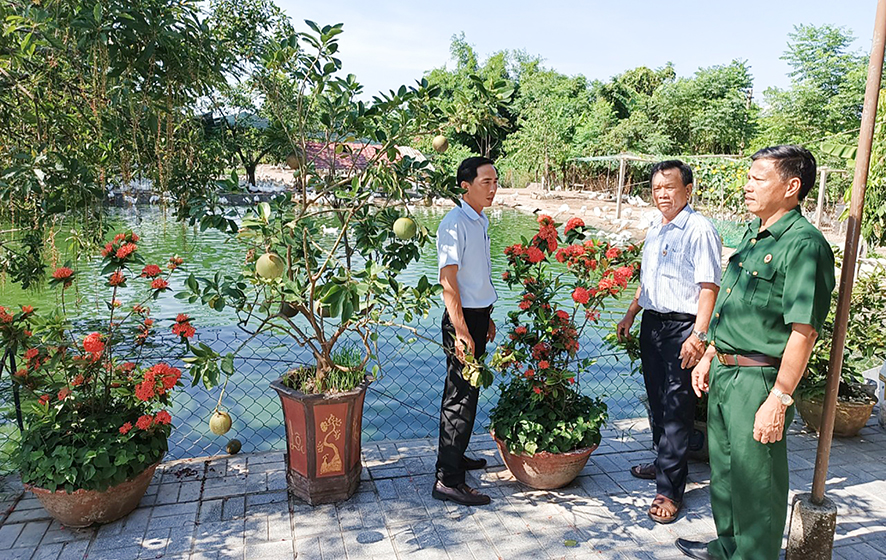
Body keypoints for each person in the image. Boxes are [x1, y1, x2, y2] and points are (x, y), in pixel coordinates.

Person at [675, 146, 835, 560]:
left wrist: (779, 398)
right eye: (749, 176)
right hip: (727, 373)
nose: (747, 185)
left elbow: (804, 331)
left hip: (759, 379)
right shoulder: (753, 232)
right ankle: (727, 547)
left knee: (757, 481)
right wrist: (710, 352)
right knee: (726, 474)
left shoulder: (804, 245)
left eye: (759, 178)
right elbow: (731, 303)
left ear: (791, 186)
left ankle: (753, 555)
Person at [617, 160, 722, 524]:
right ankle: (665, 465)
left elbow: (710, 287)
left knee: (677, 408)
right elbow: (649, 281)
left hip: (683, 327)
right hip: (653, 323)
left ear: (688, 190)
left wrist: (699, 334)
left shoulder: (699, 229)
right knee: (658, 401)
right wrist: (631, 312)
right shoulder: (655, 228)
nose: (662, 194)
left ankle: (670, 491)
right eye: (657, 188)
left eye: (670, 187)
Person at [432, 156, 498, 506]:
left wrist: (485, 317)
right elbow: (449, 281)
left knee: (468, 395)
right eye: (485, 182)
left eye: (495, 181)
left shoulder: (480, 220)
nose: (493, 188)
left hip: (476, 317)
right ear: (465, 186)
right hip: (461, 323)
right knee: (459, 398)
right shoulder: (455, 222)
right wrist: (461, 329)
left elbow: (477, 277)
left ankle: (456, 457)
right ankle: (448, 479)